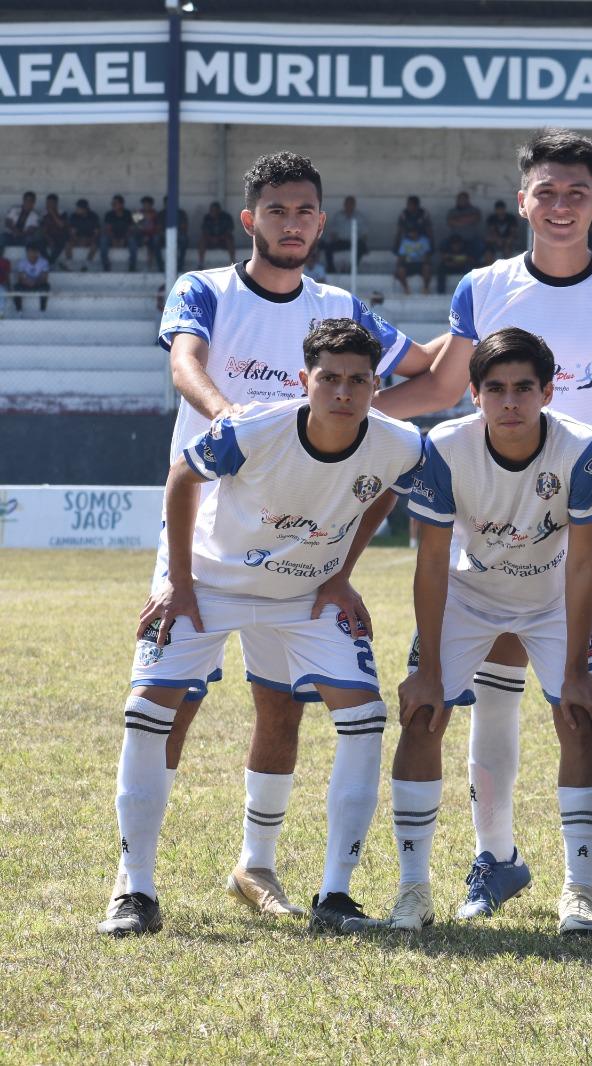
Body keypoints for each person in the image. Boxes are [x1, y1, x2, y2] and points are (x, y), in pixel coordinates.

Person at [374, 129, 592, 923]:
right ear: (523, 201)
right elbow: (445, 381)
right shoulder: (485, 285)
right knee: (494, 698)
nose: (563, 205)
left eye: (578, 192)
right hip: (499, 518)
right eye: (548, 192)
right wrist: (349, 417)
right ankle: (495, 857)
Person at [143, 150, 441, 923]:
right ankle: (135, 877)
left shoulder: (341, 305)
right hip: (210, 534)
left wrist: (367, 427)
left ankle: (256, 866)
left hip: (305, 552)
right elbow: (185, 360)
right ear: (251, 219)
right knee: (168, 709)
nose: (292, 223)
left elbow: (432, 377)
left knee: (282, 709)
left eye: (305, 211)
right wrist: (229, 421)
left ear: (322, 218)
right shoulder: (203, 288)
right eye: (277, 211)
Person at [98, 317, 425, 936]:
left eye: (359, 380)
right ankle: (134, 888)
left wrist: (340, 574)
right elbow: (182, 477)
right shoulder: (253, 428)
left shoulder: (399, 443)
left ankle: (335, 897)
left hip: (305, 594)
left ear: (376, 386)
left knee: (364, 716)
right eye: (329, 378)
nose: (343, 393)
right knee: (147, 710)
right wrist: (181, 582)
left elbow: (390, 492)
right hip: (210, 585)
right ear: (305, 380)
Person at [384, 327, 592, 934]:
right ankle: (413, 889)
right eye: (495, 389)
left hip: (552, 599)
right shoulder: (444, 446)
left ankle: (580, 889)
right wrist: (428, 668)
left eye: (523, 389)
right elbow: (431, 561)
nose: (510, 402)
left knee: (578, 716)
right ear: (473, 394)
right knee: (422, 714)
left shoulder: (585, 448)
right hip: (470, 595)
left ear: (548, 391)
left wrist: (572, 672)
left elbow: (587, 560)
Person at [322, 196, 368, 273]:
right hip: (341, 241)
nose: (349, 206)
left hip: (355, 242)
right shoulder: (338, 216)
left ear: (354, 205)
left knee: (361, 247)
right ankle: (331, 268)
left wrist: (363, 243)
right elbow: (333, 233)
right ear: (344, 205)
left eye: (351, 204)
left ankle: (352, 269)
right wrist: (332, 241)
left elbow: (365, 234)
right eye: (347, 204)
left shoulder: (359, 217)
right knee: (328, 248)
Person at [446, 191, 486, 262]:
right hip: (456, 240)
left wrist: (458, 220)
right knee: (444, 245)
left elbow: (475, 218)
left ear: (467, 200)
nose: (461, 201)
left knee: (481, 245)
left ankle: (478, 264)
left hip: (472, 239)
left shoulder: (474, 210)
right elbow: (450, 222)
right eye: (460, 199)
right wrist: (467, 220)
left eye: (463, 199)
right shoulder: (452, 211)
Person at [393, 225, 433, 295]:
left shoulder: (424, 240)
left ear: (417, 232)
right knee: (400, 270)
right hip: (409, 264)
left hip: (421, 263)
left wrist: (425, 261)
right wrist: (398, 266)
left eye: (413, 232)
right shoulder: (405, 241)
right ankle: (406, 288)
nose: (412, 234)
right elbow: (401, 255)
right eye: (410, 232)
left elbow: (427, 255)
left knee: (427, 267)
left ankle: (426, 288)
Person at [100, 194, 136, 271]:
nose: (113, 205)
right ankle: (106, 264)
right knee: (103, 239)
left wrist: (137, 214)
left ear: (122, 204)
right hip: (113, 238)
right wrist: (113, 240)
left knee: (132, 240)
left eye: (115, 203)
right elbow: (107, 229)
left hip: (126, 238)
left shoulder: (129, 213)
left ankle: (132, 265)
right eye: (112, 203)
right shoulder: (109, 214)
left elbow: (136, 227)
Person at [197, 201, 236, 268]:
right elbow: (204, 231)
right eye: (211, 210)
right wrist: (211, 238)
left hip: (223, 241)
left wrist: (220, 238)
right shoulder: (207, 218)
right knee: (202, 239)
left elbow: (229, 230)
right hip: (210, 241)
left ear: (219, 210)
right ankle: (201, 263)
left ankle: (232, 262)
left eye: (215, 210)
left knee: (229, 239)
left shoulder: (226, 217)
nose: (213, 212)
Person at [11, 243, 48, 313]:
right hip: (26, 284)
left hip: (38, 284)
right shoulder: (22, 262)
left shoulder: (44, 262)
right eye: (31, 252)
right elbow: (20, 277)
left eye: (35, 252)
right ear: (27, 252)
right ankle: (19, 311)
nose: (33, 254)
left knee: (46, 287)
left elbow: (44, 277)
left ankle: (42, 310)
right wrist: (27, 282)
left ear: (38, 252)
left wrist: (35, 282)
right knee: (16, 287)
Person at [36, 193, 69, 265]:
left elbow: (61, 225)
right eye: (47, 203)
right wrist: (49, 239)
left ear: (56, 203)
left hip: (60, 236)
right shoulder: (43, 213)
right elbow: (42, 230)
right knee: (39, 243)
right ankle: (48, 260)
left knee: (62, 242)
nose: (49, 205)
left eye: (51, 203)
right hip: (48, 236)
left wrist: (53, 213)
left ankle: (51, 261)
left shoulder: (62, 212)